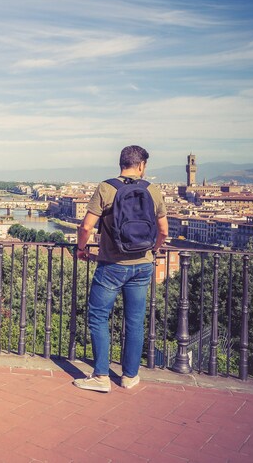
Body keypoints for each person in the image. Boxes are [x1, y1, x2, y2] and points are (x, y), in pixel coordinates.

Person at [73, 145, 168, 392]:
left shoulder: (107, 188)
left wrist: (81, 249)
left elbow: (86, 227)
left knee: (98, 317)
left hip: (112, 265)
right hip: (143, 265)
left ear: (121, 163)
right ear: (141, 165)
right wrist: (154, 250)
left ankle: (101, 377)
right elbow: (164, 230)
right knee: (135, 321)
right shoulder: (153, 190)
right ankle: (129, 376)